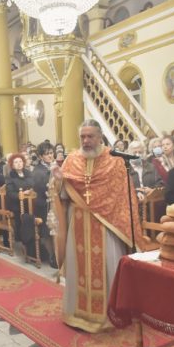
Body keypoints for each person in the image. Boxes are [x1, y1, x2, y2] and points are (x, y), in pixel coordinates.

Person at [51, 119, 144, 333]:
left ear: (100, 137)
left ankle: (109, 315)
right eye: (82, 137)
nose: (86, 141)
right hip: (78, 223)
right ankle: (78, 313)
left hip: (107, 225)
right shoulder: (72, 160)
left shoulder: (115, 161)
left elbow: (123, 198)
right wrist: (58, 181)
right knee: (79, 269)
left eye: (90, 136)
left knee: (108, 267)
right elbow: (63, 195)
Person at [31, 141, 56, 265]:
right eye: (47, 154)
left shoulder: (54, 166)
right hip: (43, 204)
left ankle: (58, 253)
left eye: (51, 153)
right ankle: (52, 256)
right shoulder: (38, 170)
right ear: (41, 156)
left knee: (58, 230)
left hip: (55, 203)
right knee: (48, 231)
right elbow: (40, 188)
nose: (50, 156)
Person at [6, 153, 34, 243]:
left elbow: (34, 184)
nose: (19, 164)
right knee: (21, 217)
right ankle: (23, 239)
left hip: (30, 202)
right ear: (12, 165)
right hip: (16, 203)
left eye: (20, 161)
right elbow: (10, 193)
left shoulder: (28, 173)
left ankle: (33, 237)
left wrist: (31, 190)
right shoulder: (10, 176)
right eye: (16, 162)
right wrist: (21, 194)